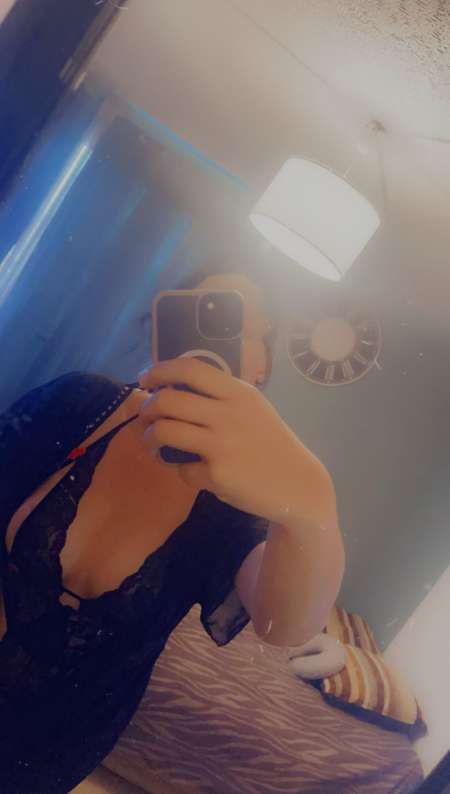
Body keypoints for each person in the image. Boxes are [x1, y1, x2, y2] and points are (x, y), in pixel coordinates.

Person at [0, 270, 344, 793]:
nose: (215, 336)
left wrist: (313, 508)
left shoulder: (235, 506)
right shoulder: (82, 401)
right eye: (200, 311)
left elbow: (284, 626)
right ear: (161, 328)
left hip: (47, 751)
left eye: (245, 327)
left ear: (260, 367)